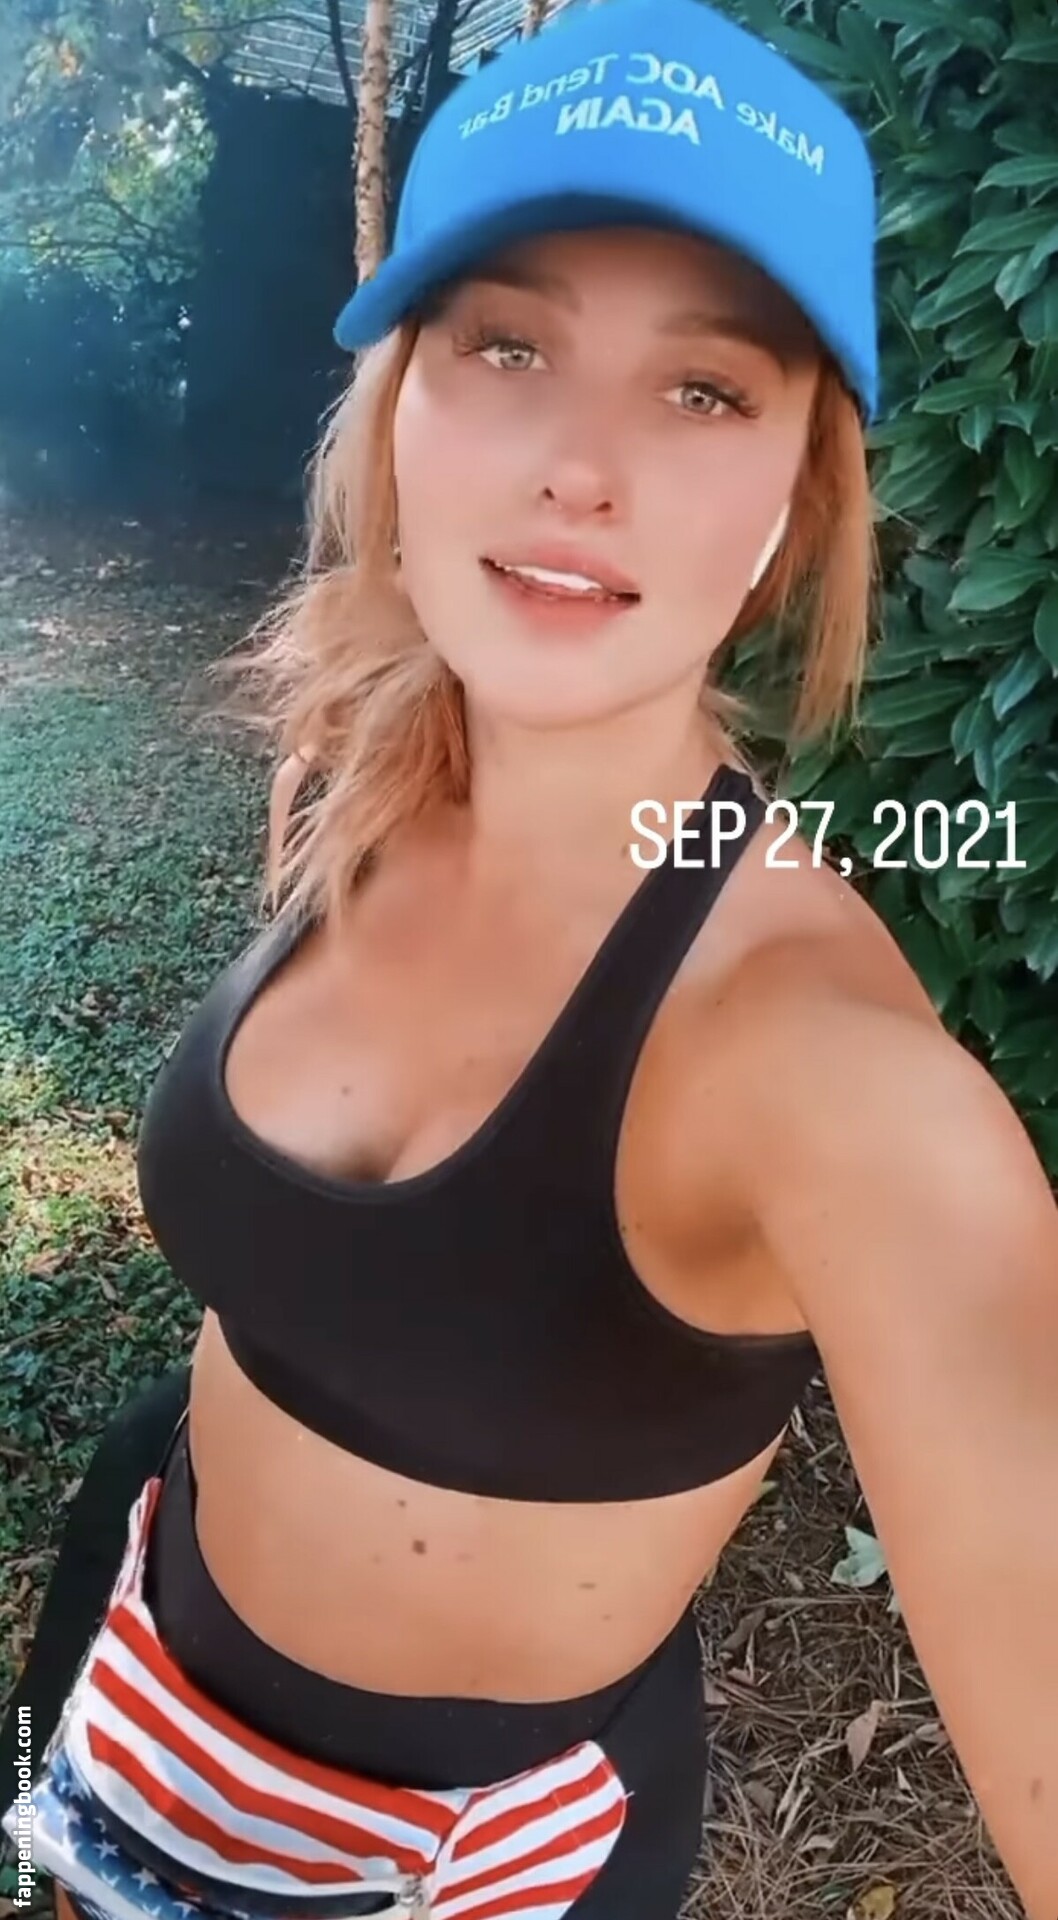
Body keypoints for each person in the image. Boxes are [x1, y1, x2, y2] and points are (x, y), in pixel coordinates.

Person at [3, 1, 1057, 1917]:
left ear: (793, 503)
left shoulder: (833, 1080)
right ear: (399, 405)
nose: (580, 466)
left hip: (467, 1866)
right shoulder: (364, 772)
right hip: (142, 1659)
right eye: (506, 346)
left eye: (703, 390)